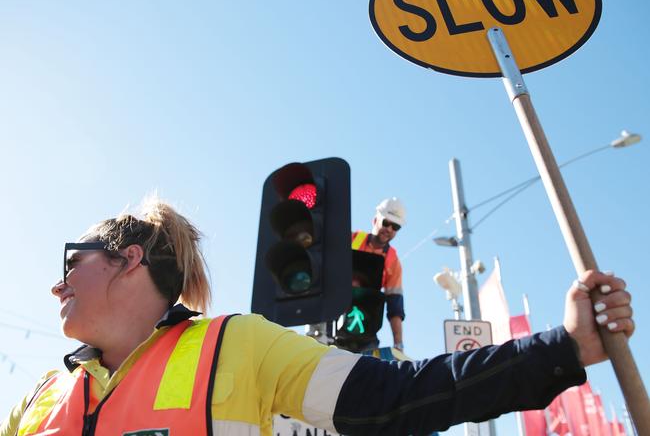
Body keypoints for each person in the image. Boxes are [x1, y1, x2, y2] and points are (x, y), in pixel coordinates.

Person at [1, 197, 635, 436]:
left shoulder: (237, 346)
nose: (57, 285)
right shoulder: (35, 400)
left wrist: (566, 347)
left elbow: (403, 398)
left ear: (126, 259)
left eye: (72, 262)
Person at [351, 197, 406, 351]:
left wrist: (398, 344)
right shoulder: (352, 239)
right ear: (375, 220)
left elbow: (395, 304)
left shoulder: (392, 260)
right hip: (337, 309)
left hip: (365, 320)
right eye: (386, 223)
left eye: (395, 226)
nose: (389, 229)